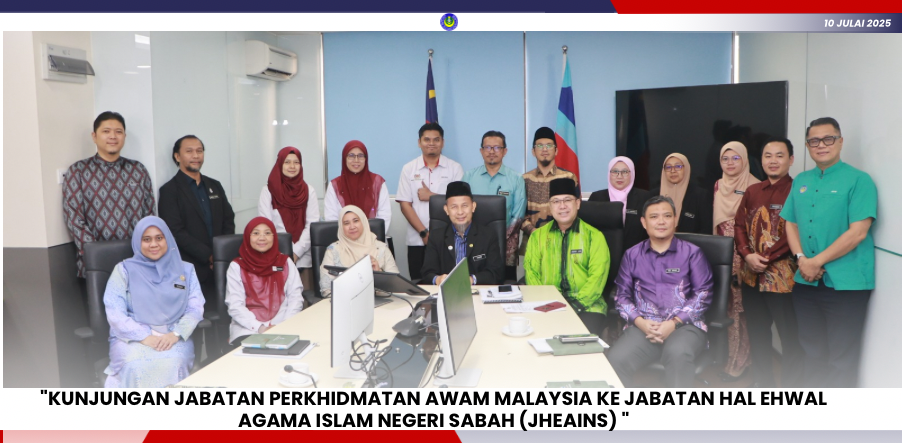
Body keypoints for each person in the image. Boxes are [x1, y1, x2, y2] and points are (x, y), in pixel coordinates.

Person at [781, 117, 877, 388]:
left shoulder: (859, 180)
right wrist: (802, 260)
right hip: (806, 282)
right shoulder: (801, 180)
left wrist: (816, 262)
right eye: (814, 141)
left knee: (841, 358)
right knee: (811, 352)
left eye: (828, 139)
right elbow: (791, 223)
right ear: (807, 146)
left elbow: (858, 232)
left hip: (846, 285)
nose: (821, 145)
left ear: (840, 141)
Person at [606, 196, 713, 388]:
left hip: (685, 326)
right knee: (616, 359)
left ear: (675, 220)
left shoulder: (692, 253)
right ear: (644, 222)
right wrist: (641, 322)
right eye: (654, 217)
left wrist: (673, 323)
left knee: (678, 353)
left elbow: (703, 294)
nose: (661, 221)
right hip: (644, 327)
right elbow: (621, 297)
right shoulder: (632, 255)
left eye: (667, 216)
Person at [103, 216, 204, 388]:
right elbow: (114, 311)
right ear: (138, 242)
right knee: (135, 365)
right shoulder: (123, 270)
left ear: (167, 239)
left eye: (159, 238)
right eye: (147, 239)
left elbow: (195, 308)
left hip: (173, 334)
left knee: (174, 361)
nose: (154, 244)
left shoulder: (186, 270)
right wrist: (143, 336)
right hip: (132, 336)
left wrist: (176, 334)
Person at [733, 138, 803, 388]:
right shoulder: (752, 191)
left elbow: (795, 231)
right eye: (767, 156)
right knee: (758, 334)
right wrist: (747, 255)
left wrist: (766, 258)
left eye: (779, 155)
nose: (773, 161)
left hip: (784, 280)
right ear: (761, 161)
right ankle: (763, 386)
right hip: (752, 277)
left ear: (791, 159)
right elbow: (739, 225)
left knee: (790, 337)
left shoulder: (798, 191)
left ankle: (791, 389)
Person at [63, 111, 155, 278]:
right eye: (106, 131)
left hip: (137, 261)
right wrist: (98, 253)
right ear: (94, 136)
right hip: (97, 264)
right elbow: (74, 220)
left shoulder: (138, 170)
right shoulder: (78, 171)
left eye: (118, 132)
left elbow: (149, 216)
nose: (113, 136)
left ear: (124, 136)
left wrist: (146, 250)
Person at [524, 178, 610, 335]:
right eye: (556, 201)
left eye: (567, 200)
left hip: (588, 306)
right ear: (550, 207)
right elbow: (531, 274)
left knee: (579, 340)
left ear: (577, 203)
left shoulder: (594, 236)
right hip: (547, 305)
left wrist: (574, 306)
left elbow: (597, 278)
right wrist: (548, 304)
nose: (562, 206)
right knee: (537, 336)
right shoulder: (537, 237)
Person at [158, 134, 236, 307]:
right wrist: (209, 255)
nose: (195, 156)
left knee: (225, 312)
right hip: (191, 268)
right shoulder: (169, 190)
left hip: (221, 266)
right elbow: (175, 231)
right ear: (177, 157)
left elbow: (228, 219)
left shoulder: (215, 185)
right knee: (198, 314)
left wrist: (222, 253)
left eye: (199, 151)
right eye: (189, 151)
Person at [713, 141, 760, 380]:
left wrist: (744, 260)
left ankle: (740, 362)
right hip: (720, 254)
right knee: (726, 308)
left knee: (741, 309)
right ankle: (727, 358)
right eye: (725, 158)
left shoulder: (755, 186)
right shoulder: (718, 185)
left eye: (735, 158)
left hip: (742, 256)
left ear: (745, 159)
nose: (730, 163)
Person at [396, 123, 463, 280]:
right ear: (419, 142)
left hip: (449, 239)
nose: (431, 143)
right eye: (427, 139)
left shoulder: (455, 168)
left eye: (436, 139)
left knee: (449, 282)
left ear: (443, 142)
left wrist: (432, 196)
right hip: (417, 240)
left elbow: (459, 203)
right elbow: (405, 205)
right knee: (419, 284)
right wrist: (424, 233)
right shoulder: (409, 169)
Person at [225, 217, 303, 347]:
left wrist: (284, 326)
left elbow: (295, 298)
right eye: (256, 233)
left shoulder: (285, 262)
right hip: (248, 329)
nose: (262, 238)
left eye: (267, 233)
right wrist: (260, 328)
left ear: (274, 237)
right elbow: (235, 305)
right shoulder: (237, 266)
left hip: (283, 324)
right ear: (248, 237)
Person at [462, 130, 526, 281]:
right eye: (487, 147)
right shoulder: (469, 177)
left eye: (497, 147)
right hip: (473, 244)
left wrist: (498, 239)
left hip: (505, 245)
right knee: (473, 284)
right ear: (481, 151)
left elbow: (518, 215)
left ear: (505, 151)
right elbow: (462, 210)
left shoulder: (516, 179)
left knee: (506, 286)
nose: (492, 151)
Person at [258, 146, 320, 292]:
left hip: (304, 259)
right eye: (287, 162)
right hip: (277, 257)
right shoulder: (268, 191)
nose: (292, 166)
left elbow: (312, 225)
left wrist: (296, 252)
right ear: (280, 164)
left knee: (305, 300)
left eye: (296, 162)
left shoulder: (309, 190)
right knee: (279, 299)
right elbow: (266, 226)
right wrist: (286, 253)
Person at [421, 181, 504, 286]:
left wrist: (471, 280)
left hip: (477, 292)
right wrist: (438, 279)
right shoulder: (436, 236)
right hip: (446, 293)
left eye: (465, 206)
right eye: (454, 207)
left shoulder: (488, 235)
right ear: (446, 210)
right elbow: (426, 274)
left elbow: (496, 273)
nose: (460, 212)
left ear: (473, 207)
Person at [520, 127, 579, 256]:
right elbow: (519, 213)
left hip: (561, 242)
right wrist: (534, 231)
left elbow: (575, 210)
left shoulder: (568, 177)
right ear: (533, 151)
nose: (545, 149)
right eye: (540, 145)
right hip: (531, 242)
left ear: (556, 150)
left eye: (549, 145)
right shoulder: (524, 180)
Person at [319, 205, 400, 297]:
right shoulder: (333, 250)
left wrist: (378, 273)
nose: (352, 227)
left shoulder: (381, 249)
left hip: (380, 302)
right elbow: (326, 290)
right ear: (341, 227)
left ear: (363, 222)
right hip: (344, 303)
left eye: (356, 221)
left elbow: (396, 288)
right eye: (346, 223)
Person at [324, 140, 391, 232]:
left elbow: (384, 217)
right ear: (344, 158)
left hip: (373, 238)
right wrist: (348, 238)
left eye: (360, 156)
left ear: (366, 158)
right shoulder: (334, 185)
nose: (356, 160)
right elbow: (331, 219)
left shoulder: (377, 183)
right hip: (343, 238)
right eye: (351, 156)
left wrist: (369, 237)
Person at [588, 156, 652, 251]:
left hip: (637, 253)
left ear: (632, 174)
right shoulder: (597, 197)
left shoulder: (644, 197)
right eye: (615, 171)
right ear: (609, 174)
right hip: (603, 253)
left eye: (625, 172)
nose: (619, 176)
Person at [651, 153, 713, 235]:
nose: (673, 171)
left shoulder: (701, 195)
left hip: (691, 243)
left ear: (686, 168)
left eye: (678, 166)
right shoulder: (653, 195)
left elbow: (706, 229)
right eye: (668, 167)